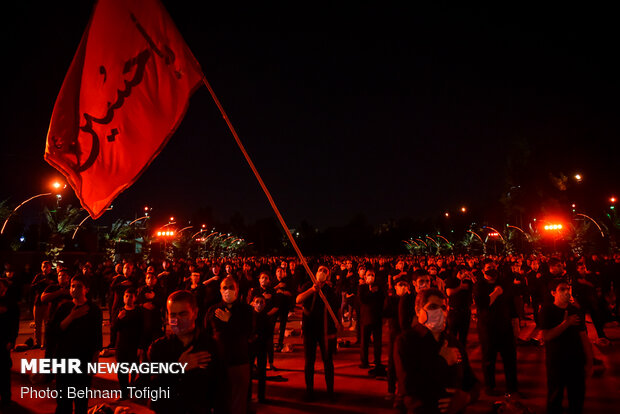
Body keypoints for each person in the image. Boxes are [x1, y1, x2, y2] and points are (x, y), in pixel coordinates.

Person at [394, 288, 480, 413]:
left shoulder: (453, 342)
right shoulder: (407, 341)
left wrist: (467, 398)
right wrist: (442, 360)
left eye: (443, 308)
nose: (440, 312)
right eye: (433, 307)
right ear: (418, 311)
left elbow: (471, 381)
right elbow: (409, 386)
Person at [148, 290, 218, 414]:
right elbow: (146, 387)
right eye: (173, 315)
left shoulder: (210, 346)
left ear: (195, 313)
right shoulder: (158, 348)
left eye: (183, 314)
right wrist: (177, 367)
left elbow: (221, 391)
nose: (178, 320)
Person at [48, 275, 102, 414]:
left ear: (86, 289)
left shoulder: (94, 310)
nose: (75, 289)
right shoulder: (64, 308)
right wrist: (71, 317)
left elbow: (97, 337)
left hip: (83, 361)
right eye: (73, 286)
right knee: (63, 402)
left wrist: (95, 360)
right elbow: (54, 333)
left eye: (79, 286)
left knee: (80, 402)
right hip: (64, 360)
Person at [541, 278, 593, 414]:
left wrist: (590, 361)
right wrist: (566, 324)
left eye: (567, 289)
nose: (566, 292)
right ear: (553, 292)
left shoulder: (575, 311)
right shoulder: (547, 310)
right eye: (561, 289)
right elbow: (546, 336)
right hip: (556, 362)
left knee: (577, 397)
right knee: (555, 396)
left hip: (576, 361)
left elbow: (584, 337)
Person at [205, 276, 253, 414]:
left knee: (238, 404)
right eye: (225, 287)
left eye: (231, 287)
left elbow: (248, 332)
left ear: (237, 290)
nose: (228, 290)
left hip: (239, 363)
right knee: (219, 402)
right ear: (220, 290)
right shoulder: (212, 311)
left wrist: (230, 320)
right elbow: (207, 334)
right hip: (218, 364)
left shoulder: (246, 310)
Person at [473, 261, 519, 396]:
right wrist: (496, 293)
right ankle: (490, 386)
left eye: (494, 268)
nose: (492, 270)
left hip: (505, 326)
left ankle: (512, 388)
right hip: (487, 327)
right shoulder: (479, 285)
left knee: (510, 358)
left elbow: (511, 303)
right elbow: (483, 305)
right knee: (489, 358)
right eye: (489, 268)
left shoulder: (503, 282)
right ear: (483, 271)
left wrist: (515, 322)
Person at [296, 265, 340, 401]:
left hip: (325, 330)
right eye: (320, 270)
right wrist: (312, 290)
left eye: (325, 271)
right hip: (310, 329)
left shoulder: (330, 290)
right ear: (315, 273)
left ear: (328, 276)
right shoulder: (308, 284)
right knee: (309, 361)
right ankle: (309, 392)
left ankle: (330, 392)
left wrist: (338, 325)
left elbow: (336, 307)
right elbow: (298, 300)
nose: (322, 272)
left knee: (328, 361)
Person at [111, 288, 145, 398]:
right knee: (122, 370)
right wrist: (119, 319)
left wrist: (140, 346)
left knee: (134, 368)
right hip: (122, 345)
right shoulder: (120, 311)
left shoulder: (138, 311)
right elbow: (114, 328)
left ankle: (133, 387)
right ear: (123, 298)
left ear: (135, 298)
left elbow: (142, 329)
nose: (128, 298)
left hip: (134, 344)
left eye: (131, 296)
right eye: (126, 296)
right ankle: (124, 393)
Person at [358, 269, 386, 376]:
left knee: (377, 342)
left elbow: (382, 299)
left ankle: (377, 362)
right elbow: (362, 300)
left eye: (372, 275)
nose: (370, 277)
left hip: (377, 317)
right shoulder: (362, 287)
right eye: (368, 275)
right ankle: (364, 361)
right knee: (364, 342)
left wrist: (375, 292)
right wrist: (370, 292)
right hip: (365, 318)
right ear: (365, 277)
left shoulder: (378, 287)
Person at [0, 279, 19, 407]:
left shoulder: (10, 302)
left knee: (4, 370)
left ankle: (6, 397)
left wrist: (12, 340)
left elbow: (14, 323)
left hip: (4, 339)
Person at [249, 294, 270, 403]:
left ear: (265, 304)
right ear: (253, 303)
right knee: (248, 372)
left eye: (261, 302)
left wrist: (258, 336)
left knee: (262, 373)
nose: (259, 304)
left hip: (261, 347)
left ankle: (261, 397)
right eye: (257, 302)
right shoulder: (249, 316)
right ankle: (248, 396)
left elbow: (268, 334)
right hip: (251, 347)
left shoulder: (266, 317)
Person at [445, 267, 474, 348]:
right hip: (454, 312)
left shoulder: (468, 281)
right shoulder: (451, 280)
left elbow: (476, 287)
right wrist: (460, 287)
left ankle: (462, 354)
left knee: (463, 336)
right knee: (452, 335)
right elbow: (449, 292)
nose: (463, 274)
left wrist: (471, 276)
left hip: (465, 311)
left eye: (465, 272)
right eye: (461, 272)